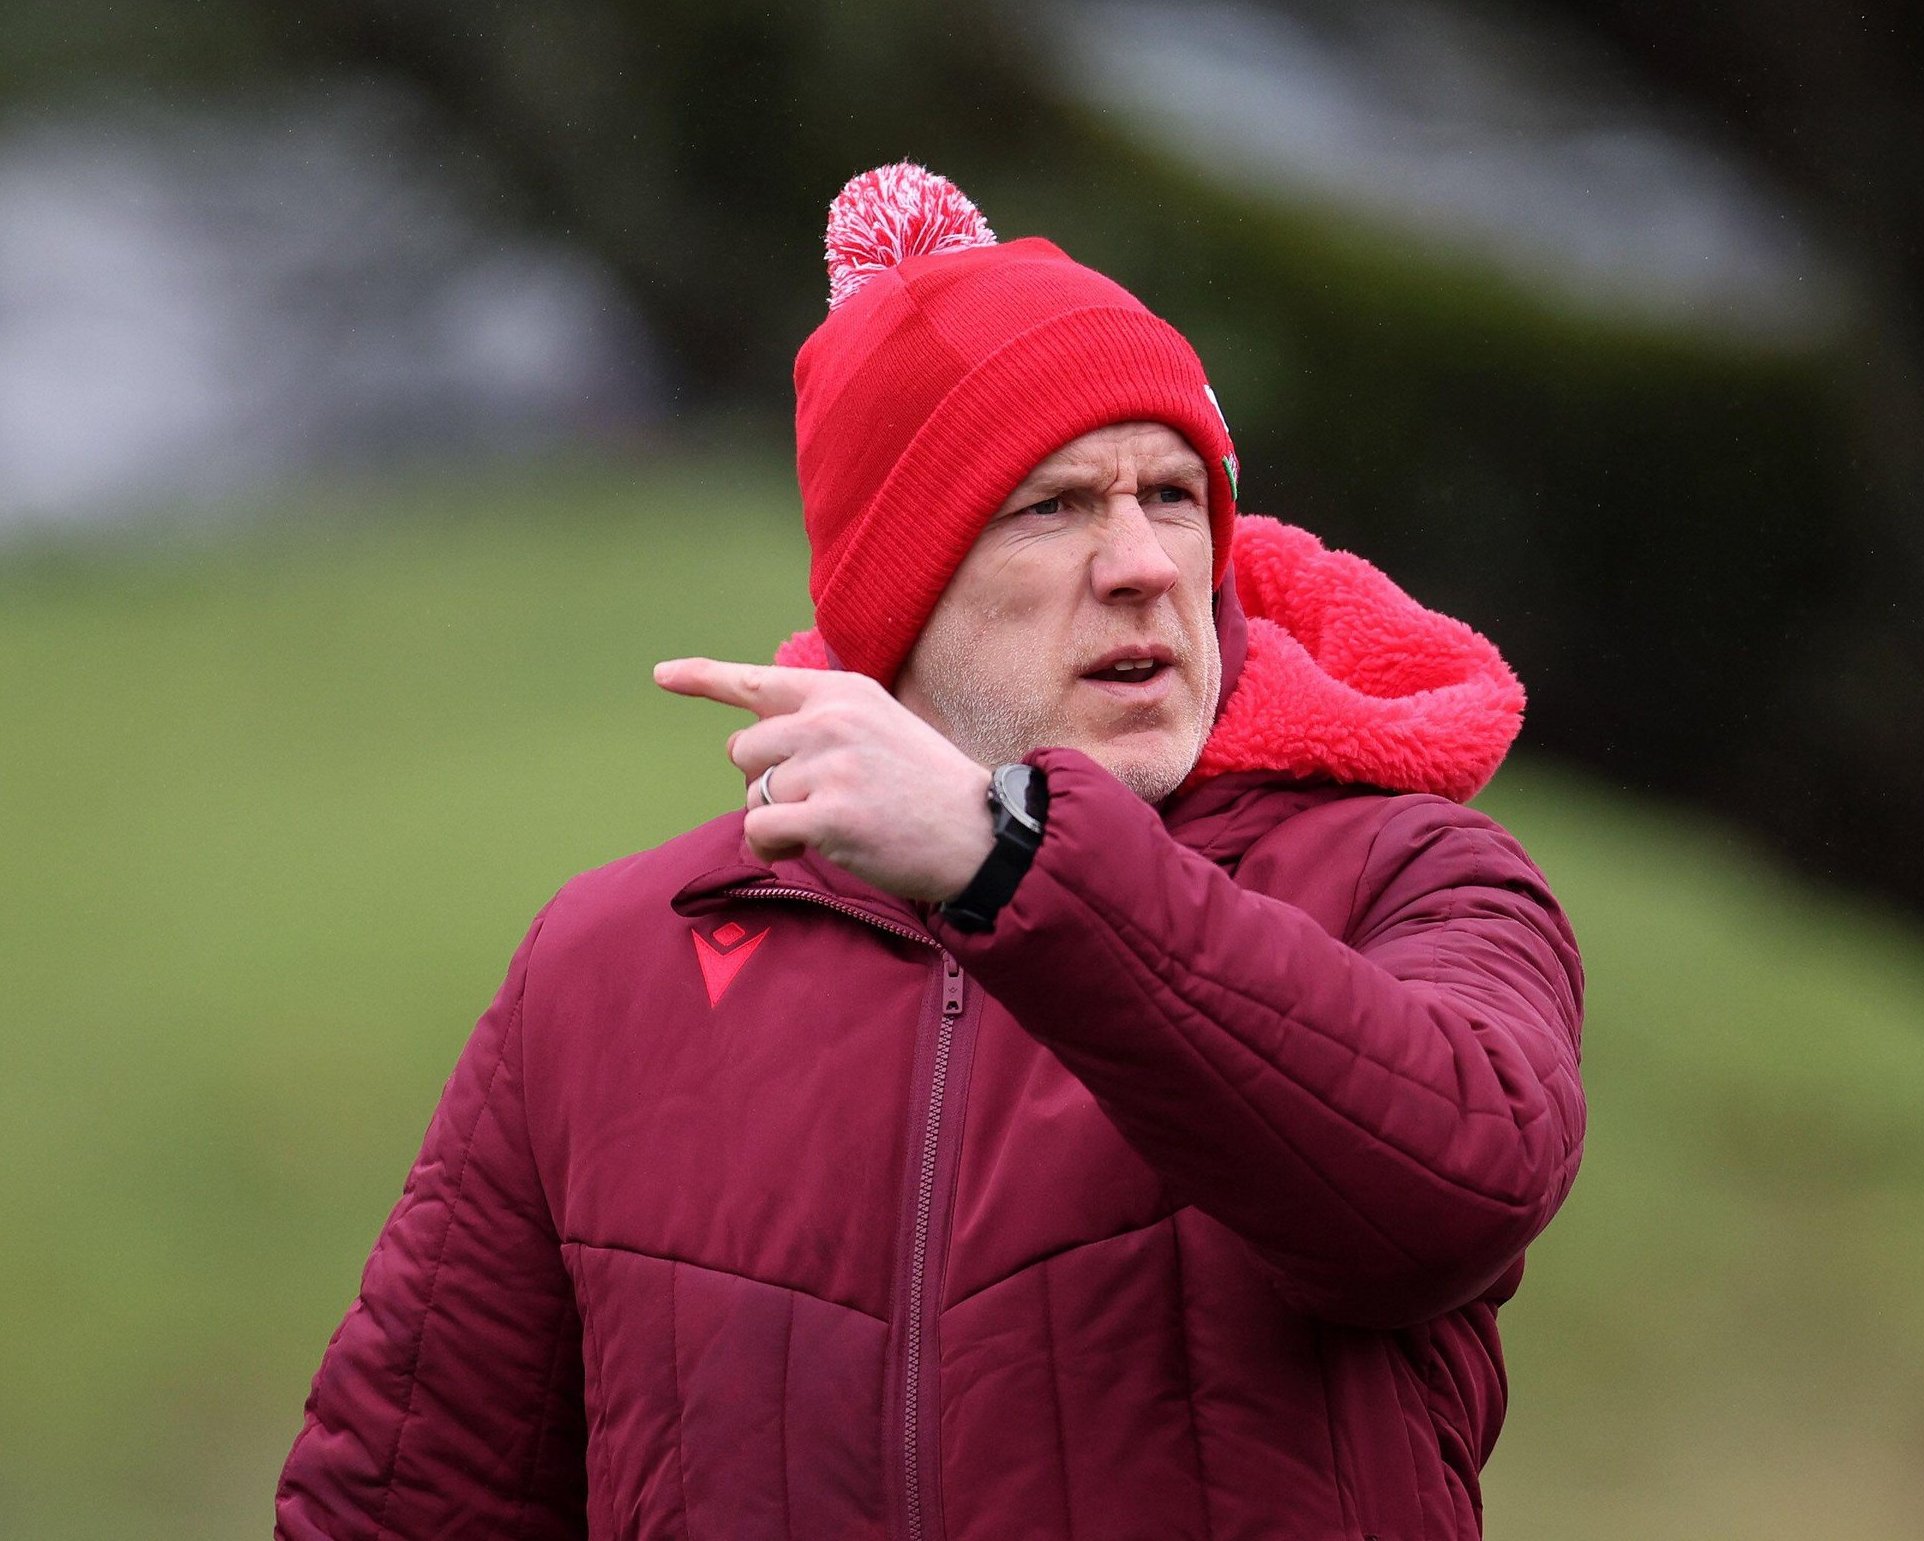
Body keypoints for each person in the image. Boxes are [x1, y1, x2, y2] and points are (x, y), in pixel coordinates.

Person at [276, 162, 1586, 1541]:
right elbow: (400, 1504)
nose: (1143, 561)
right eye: (1055, 505)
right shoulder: (607, 965)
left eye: (1173, 496)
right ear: (897, 594)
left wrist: (1009, 859)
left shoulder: (1411, 873)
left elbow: (1455, 1189)